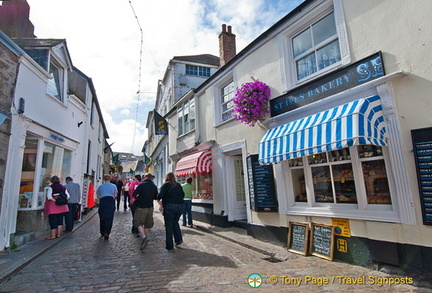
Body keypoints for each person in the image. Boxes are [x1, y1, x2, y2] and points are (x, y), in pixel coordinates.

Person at [156, 172, 185, 251]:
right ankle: (178, 239)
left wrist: (158, 200)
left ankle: (169, 245)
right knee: (175, 222)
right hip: (180, 207)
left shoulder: (165, 185)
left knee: (168, 226)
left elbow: (159, 195)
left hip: (169, 206)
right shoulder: (178, 185)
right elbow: (183, 194)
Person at [132, 173, 158, 250]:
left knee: (138, 222)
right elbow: (156, 196)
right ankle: (145, 237)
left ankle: (143, 237)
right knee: (147, 224)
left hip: (141, 206)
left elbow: (134, 194)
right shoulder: (154, 186)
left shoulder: (142, 185)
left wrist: (139, 197)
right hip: (150, 206)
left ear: (146, 177)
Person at [43, 176, 70, 240]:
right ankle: (58, 234)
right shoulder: (63, 187)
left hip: (53, 207)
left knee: (53, 220)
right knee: (60, 220)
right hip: (62, 207)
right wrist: (61, 201)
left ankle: (52, 235)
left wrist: (56, 201)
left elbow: (49, 197)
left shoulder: (51, 188)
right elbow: (68, 196)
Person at [96, 174, 117, 240]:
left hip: (103, 201)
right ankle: (107, 232)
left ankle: (102, 231)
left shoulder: (100, 186)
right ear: (110, 179)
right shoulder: (113, 186)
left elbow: (98, 196)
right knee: (109, 217)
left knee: (102, 217)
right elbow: (115, 195)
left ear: (104, 179)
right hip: (110, 201)